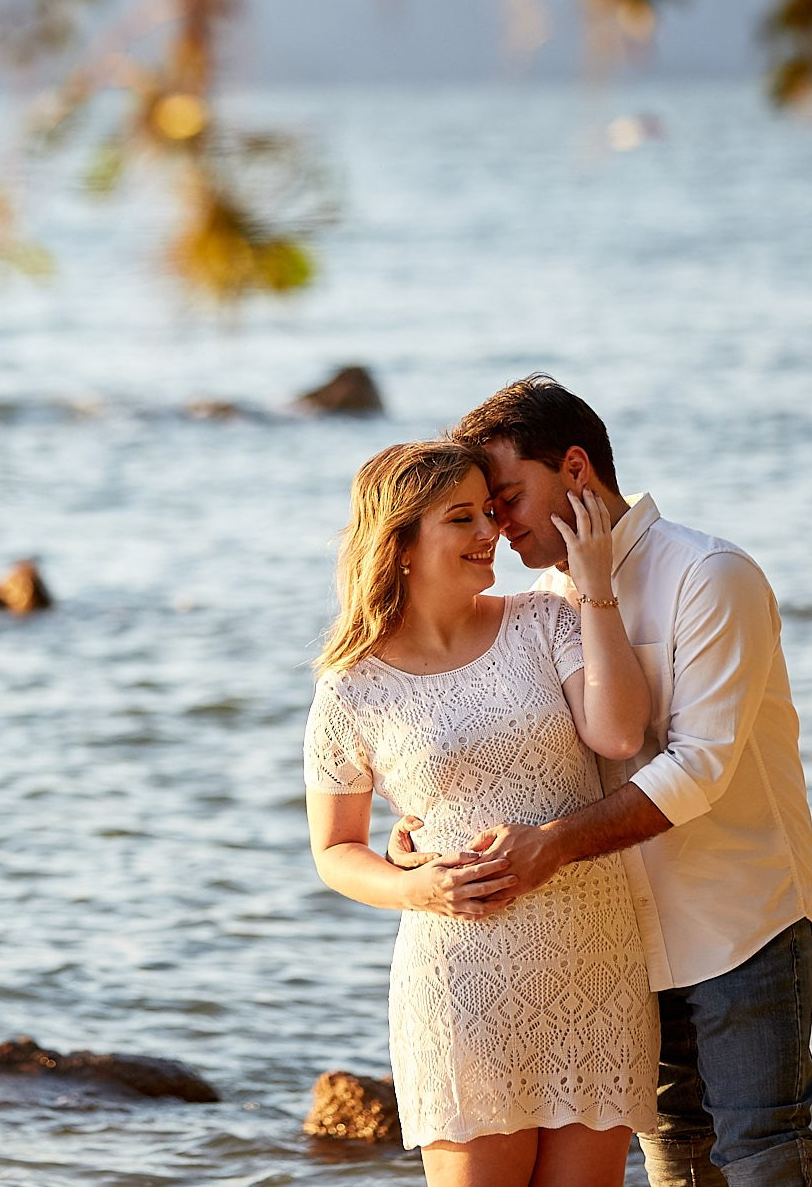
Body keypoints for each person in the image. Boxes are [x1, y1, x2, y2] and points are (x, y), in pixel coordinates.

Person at [430, 375, 812, 1187]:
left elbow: (698, 769)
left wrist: (555, 846)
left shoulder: (709, 575)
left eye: (508, 498)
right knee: (677, 1161)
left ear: (576, 468)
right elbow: (540, 758)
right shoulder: (545, 601)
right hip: (617, 947)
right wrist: (432, 826)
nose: (499, 529)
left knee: (763, 1160)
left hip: (736, 925)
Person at [302, 438, 659, 1187]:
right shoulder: (351, 687)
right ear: (399, 543)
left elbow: (620, 732)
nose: (489, 532)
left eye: (490, 512)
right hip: (461, 980)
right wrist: (414, 886)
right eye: (460, 518)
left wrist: (592, 587)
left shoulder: (543, 620)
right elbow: (335, 849)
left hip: (593, 964)